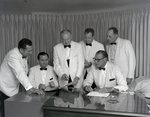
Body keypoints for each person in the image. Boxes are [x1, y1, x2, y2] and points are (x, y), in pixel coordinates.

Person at [0, 38, 44, 117]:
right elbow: (20, 73)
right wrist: (31, 89)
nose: (31, 53)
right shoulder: (12, 55)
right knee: (5, 113)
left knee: (13, 112)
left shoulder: (24, 54)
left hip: (14, 88)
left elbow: (25, 71)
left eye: (31, 50)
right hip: (5, 88)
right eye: (29, 51)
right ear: (21, 49)